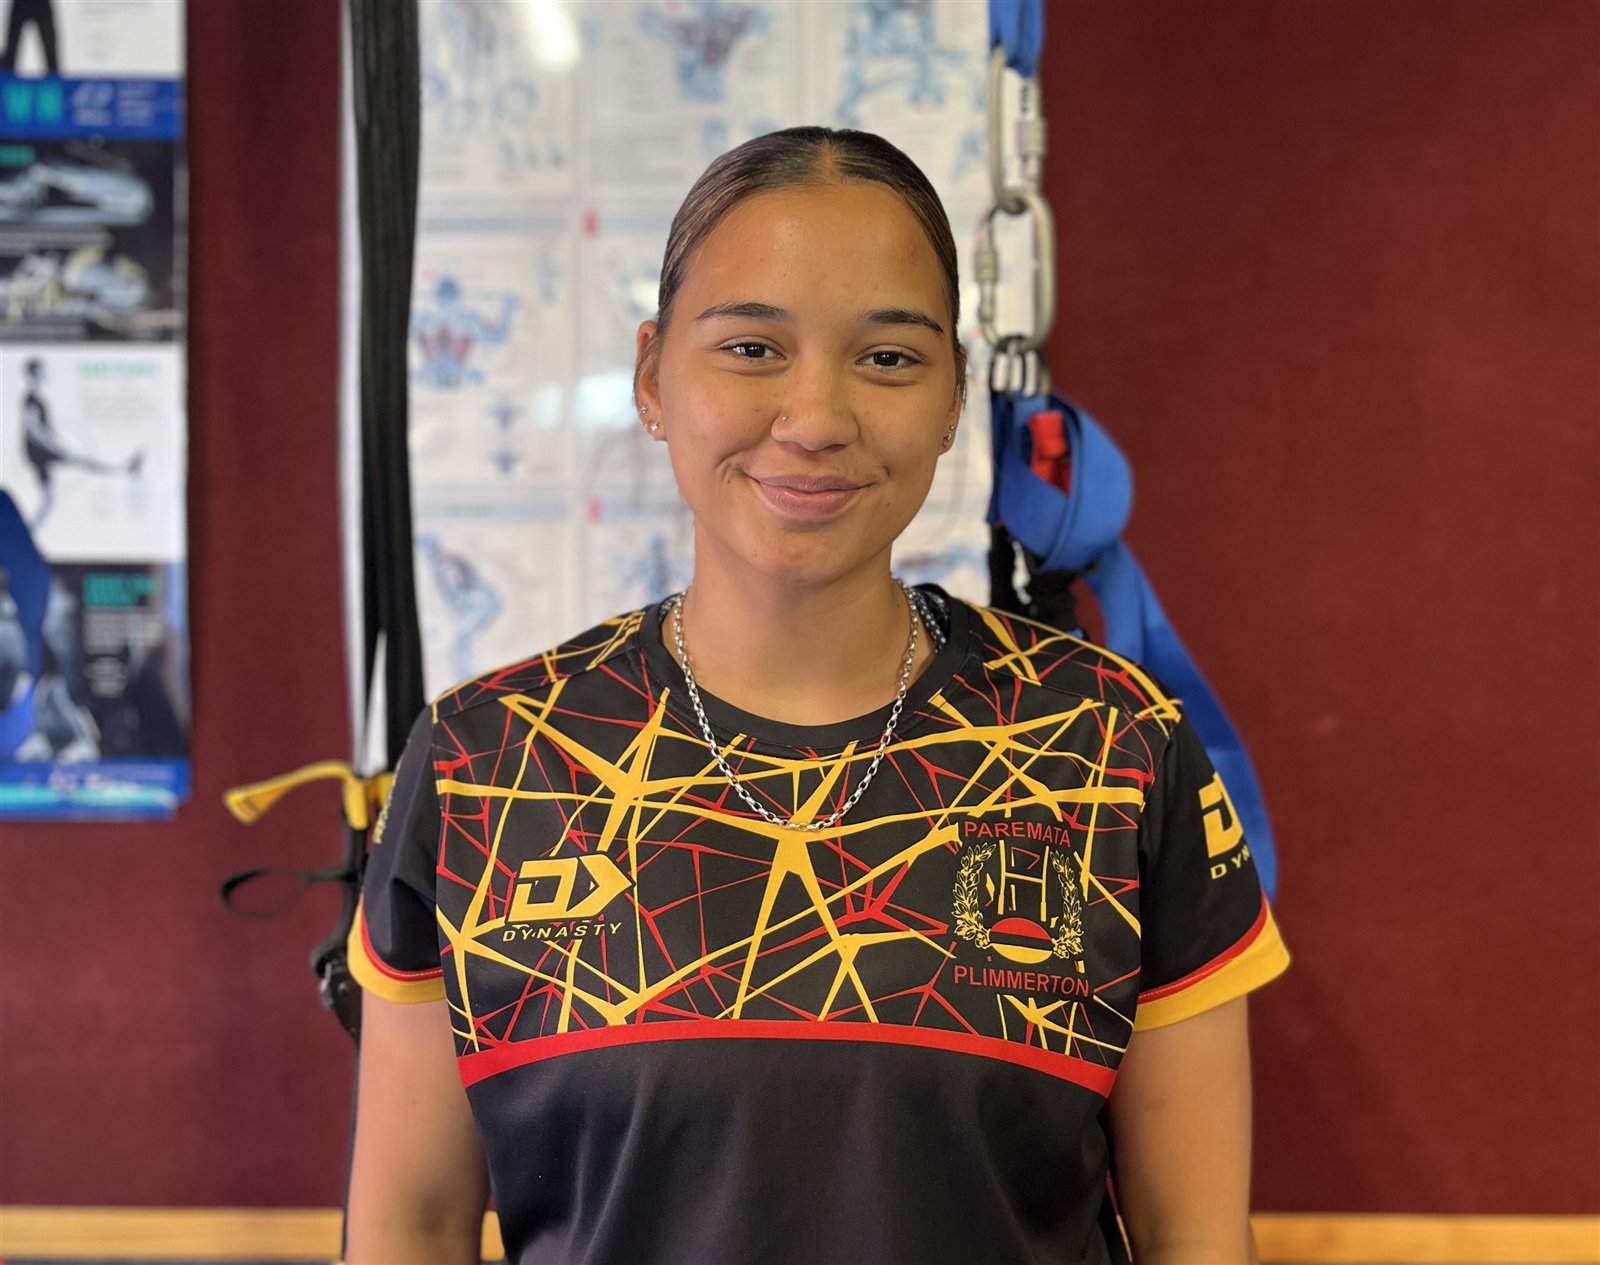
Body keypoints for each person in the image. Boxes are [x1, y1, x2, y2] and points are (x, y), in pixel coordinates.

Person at [346, 126, 1288, 1265]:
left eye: (887, 357)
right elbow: (408, 1225)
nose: (815, 417)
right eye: (751, 347)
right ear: (652, 376)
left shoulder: (1109, 741)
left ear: (953, 394)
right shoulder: (485, 758)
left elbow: (1195, 1233)